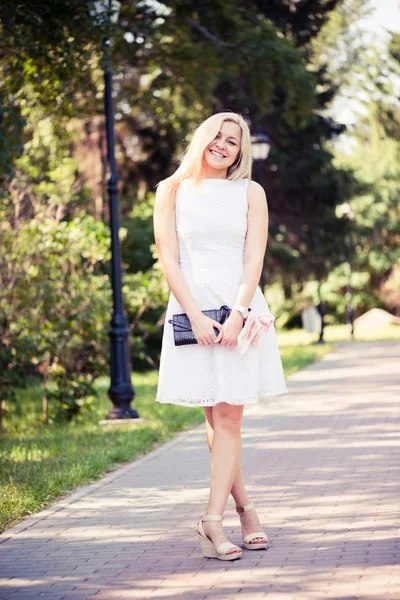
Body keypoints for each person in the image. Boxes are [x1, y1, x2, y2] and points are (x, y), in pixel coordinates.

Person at [153, 112, 287, 561]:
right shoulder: (170, 191)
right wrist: (195, 315)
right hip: (192, 309)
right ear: (201, 138)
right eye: (217, 135)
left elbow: (254, 259)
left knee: (229, 418)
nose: (223, 144)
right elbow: (170, 261)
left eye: (234, 140)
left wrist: (238, 312)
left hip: (240, 312)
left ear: (240, 151)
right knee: (215, 420)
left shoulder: (251, 193)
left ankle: (212, 520)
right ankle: (246, 508)